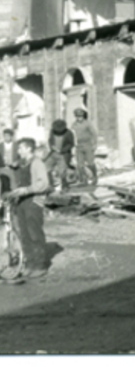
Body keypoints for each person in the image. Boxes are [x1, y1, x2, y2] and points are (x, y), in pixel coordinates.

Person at [1, 138, 50, 281]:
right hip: (22, 202)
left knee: (34, 233)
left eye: (21, 148)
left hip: (34, 201)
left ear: (29, 149)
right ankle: (29, 264)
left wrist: (26, 190)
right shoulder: (22, 164)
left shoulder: (37, 163)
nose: (18, 151)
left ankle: (40, 266)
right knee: (24, 235)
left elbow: (43, 184)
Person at [46, 119, 75, 191]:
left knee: (62, 172)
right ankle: (50, 185)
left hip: (63, 155)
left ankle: (64, 186)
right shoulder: (52, 132)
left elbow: (71, 144)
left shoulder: (69, 133)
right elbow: (50, 140)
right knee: (46, 168)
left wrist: (62, 150)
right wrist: (52, 146)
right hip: (53, 153)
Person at [71, 108, 98, 186]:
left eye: (80, 116)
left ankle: (95, 177)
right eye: (77, 116)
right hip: (79, 146)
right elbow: (72, 134)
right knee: (80, 165)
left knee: (90, 163)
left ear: (83, 116)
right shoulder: (74, 124)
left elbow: (94, 134)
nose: (79, 118)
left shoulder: (87, 123)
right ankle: (84, 179)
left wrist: (95, 144)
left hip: (88, 145)